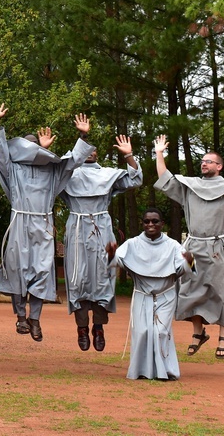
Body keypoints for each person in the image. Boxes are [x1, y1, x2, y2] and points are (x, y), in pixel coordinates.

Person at [154, 135, 224, 359]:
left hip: (219, 245)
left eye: (209, 161)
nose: (204, 163)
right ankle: (198, 333)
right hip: (192, 247)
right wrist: (159, 153)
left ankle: (223, 334)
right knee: (188, 289)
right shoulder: (190, 187)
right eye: (202, 160)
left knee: (221, 289)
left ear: (219, 166)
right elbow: (166, 180)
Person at [0, 102, 94, 341]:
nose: (31, 148)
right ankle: (20, 316)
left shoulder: (52, 170)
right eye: (27, 145)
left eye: (34, 144)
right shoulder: (12, 169)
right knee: (16, 271)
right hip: (19, 223)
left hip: (43, 224)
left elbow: (72, 162)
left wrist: (82, 135)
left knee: (41, 271)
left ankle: (35, 318)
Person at [59, 136, 142, 351]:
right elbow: (46, 180)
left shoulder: (107, 174)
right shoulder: (66, 175)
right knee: (78, 279)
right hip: (76, 227)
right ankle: (82, 328)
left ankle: (98, 327)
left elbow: (135, 180)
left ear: (98, 154)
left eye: (93, 149)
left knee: (103, 278)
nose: (89, 152)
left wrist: (129, 155)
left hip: (102, 228)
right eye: (85, 149)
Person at [106, 209, 192, 380]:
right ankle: (142, 371)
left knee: (161, 331)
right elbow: (117, 262)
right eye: (147, 221)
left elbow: (182, 269)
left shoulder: (173, 245)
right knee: (143, 332)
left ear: (162, 224)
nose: (150, 225)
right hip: (142, 294)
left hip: (165, 295)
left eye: (154, 221)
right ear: (142, 223)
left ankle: (166, 372)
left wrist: (189, 262)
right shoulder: (133, 244)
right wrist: (111, 254)